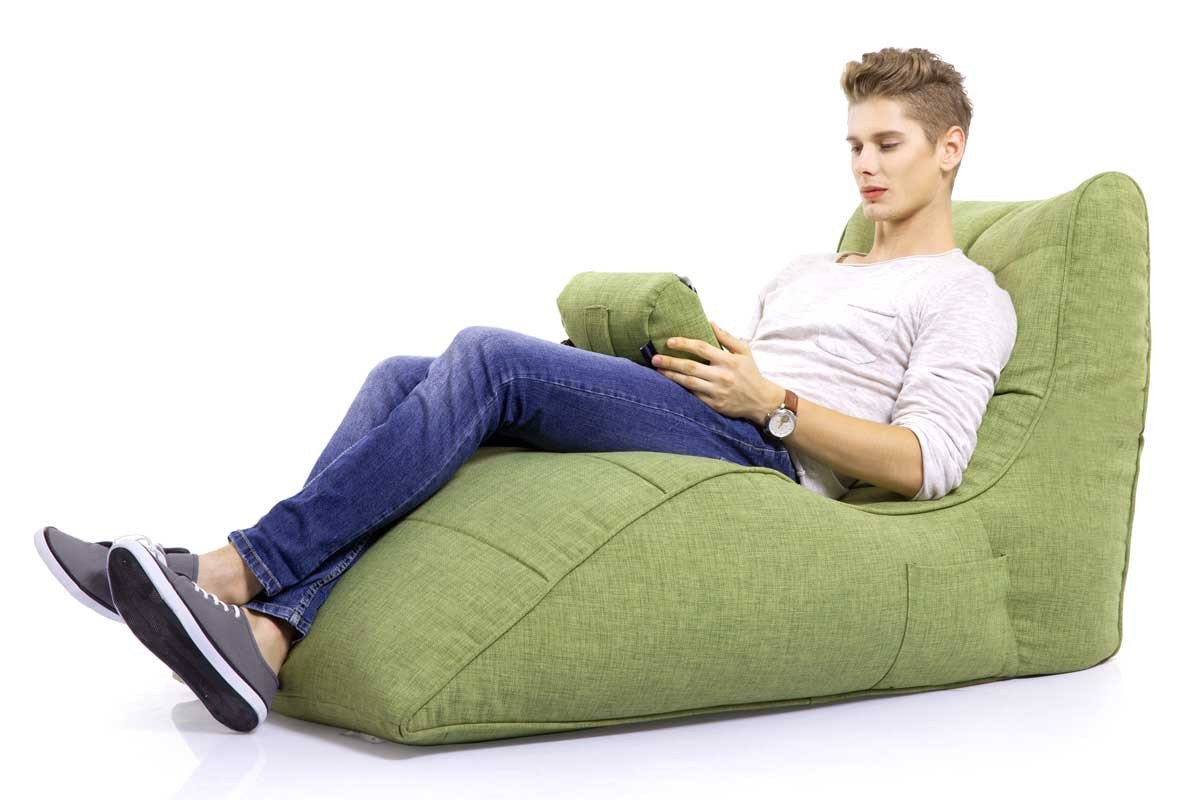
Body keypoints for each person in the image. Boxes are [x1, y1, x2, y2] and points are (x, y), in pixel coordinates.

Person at [34, 46, 1016, 733]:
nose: (865, 165)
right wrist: (694, 352)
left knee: (488, 358)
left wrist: (775, 404)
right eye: (854, 145)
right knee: (402, 375)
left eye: (888, 144)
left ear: (950, 148)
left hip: (767, 455)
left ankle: (230, 569)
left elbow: (927, 462)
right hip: (724, 408)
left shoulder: (965, 294)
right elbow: (768, 368)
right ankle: (269, 638)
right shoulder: (814, 266)